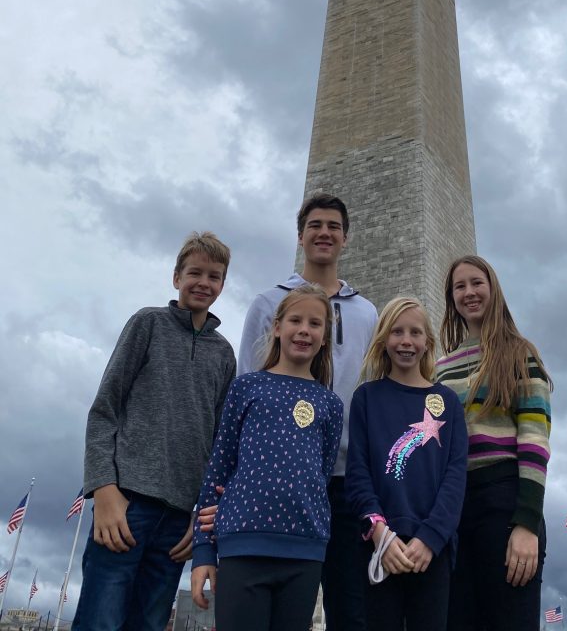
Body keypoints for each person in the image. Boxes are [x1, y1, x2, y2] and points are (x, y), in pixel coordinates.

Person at [201, 192, 377, 630]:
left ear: (346, 239)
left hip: (348, 480)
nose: (324, 233)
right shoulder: (266, 303)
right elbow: (244, 398)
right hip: (273, 489)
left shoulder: (368, 312)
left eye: (334, 226)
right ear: (301, 236)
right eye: (315, 225)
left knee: (351, 608)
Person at [73, 231, 236, 631]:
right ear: (176, 277)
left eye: (214, 276)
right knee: (101, 621)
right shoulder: (147, 323)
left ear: (222, 285)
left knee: (149, 623)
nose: (203, 283)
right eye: (195, 273)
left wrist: (199, 521)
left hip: (180, 521)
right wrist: (104, 491)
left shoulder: (224, 353)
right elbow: (103, 410)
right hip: (126, 506)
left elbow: (220, 445)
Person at [191, 283, 344, 631]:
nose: (304, 330)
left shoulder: (331, 405)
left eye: (315, 324)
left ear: (324, 337)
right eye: (295, 320)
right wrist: (203, 550)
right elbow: (218, 468)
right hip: (242, 545)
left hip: (305, 552)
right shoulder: (246, 387)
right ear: (277, 327)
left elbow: (319, 475)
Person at [435, 255, 552, 631]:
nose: (469, 293)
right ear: (451, 297)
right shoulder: (441, 367)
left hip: (505, 501)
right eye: (459, 286)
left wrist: (527, 524)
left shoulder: (521, 353)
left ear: (493, 289)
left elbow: (535, 442)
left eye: (476, 283)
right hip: (454, 508)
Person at [346, 297, 467, 631]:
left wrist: (430, 538)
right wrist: (381, 535)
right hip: (379, 546)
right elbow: (358, 473)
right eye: (397, 332)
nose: (406, 341)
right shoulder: (366, 398)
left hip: (433, 550)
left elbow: (455, 478)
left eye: (415, 332)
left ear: (427, 341)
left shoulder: (448, 403)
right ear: (384, 340)